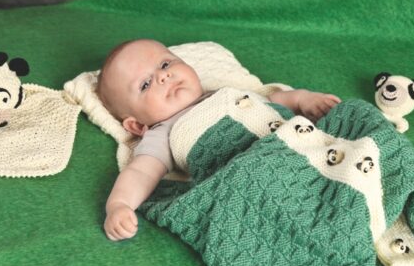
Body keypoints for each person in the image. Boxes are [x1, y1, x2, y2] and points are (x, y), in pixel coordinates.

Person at [97, 39, 341, 241]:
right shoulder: (164, 132)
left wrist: (302, 99)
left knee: (352, 118)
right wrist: (119, 204)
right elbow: (141, 172)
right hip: (258, 171)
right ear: (137, 126)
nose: (163, 76)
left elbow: (269, 102)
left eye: (165, 63)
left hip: (301, 149)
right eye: (145, 84)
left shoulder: (225, 94)